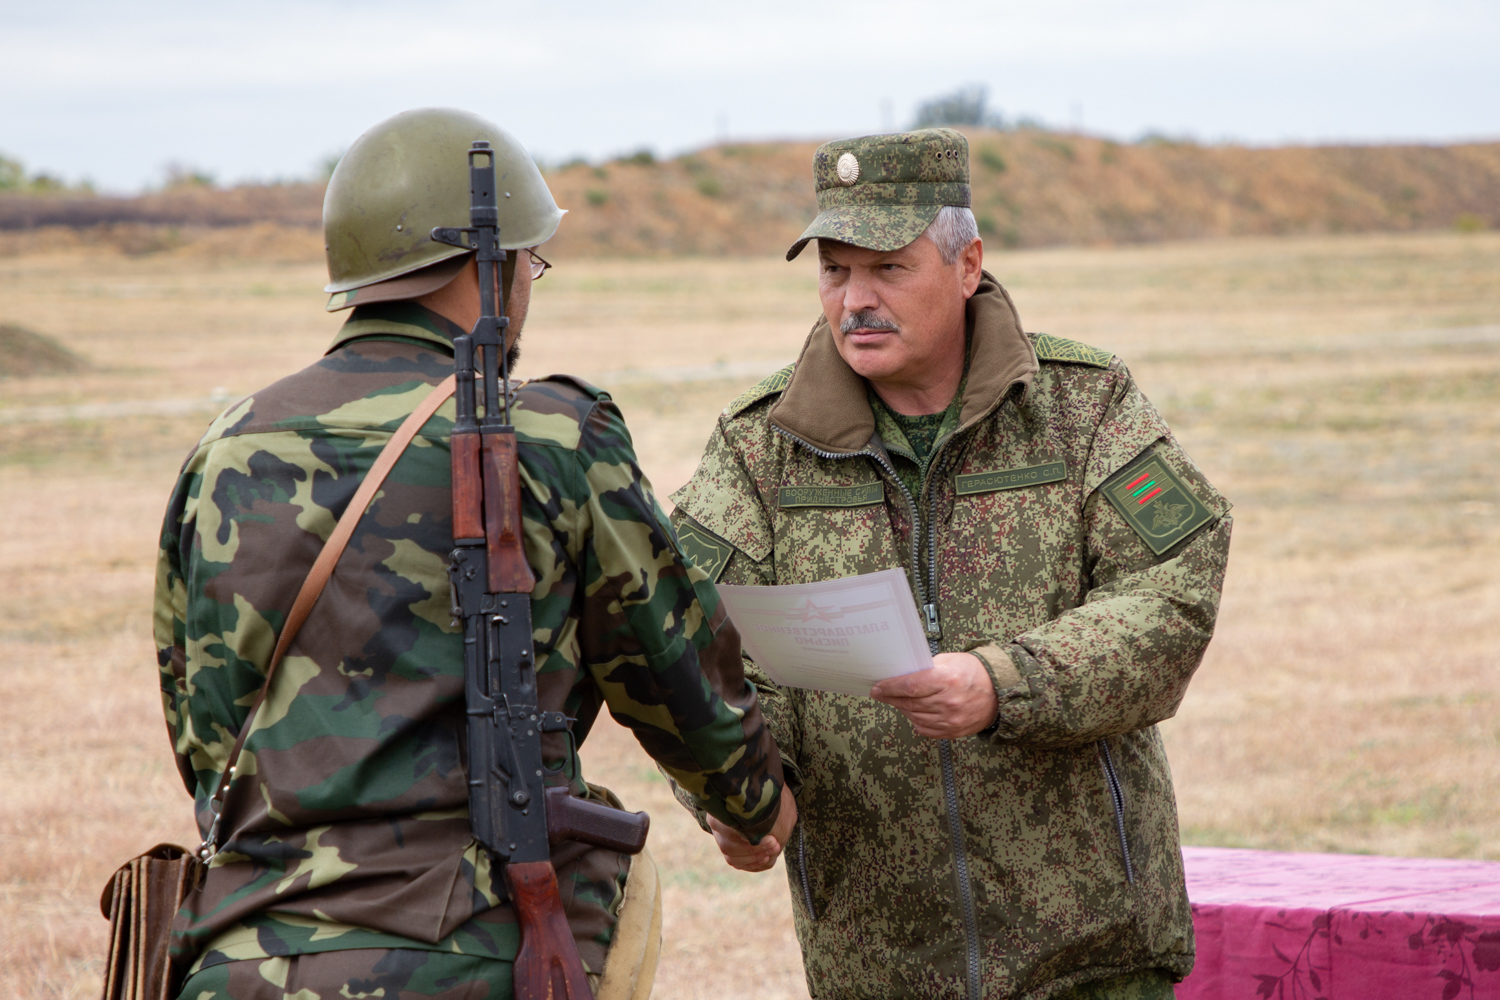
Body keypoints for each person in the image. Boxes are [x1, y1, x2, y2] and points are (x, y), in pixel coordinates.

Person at [153, 107, 792, 1000]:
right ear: (484, 264)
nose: (532, 279)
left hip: (239, 961)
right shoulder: (556, 436)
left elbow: (205, 731)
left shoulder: (223, 449)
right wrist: (756, 803)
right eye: (531, 258)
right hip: (474, 958)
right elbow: (672, 669)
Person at [668, 129, 1232, 1000]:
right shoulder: (760, 448)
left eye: (887, 269)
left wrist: (1002, 684)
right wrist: (742, 791)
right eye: (834, 271)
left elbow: (1171, 594)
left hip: (1089, 959)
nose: (855, 299)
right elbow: (689, 640)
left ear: (967, 265)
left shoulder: (1083, 405)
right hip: (878, 965)